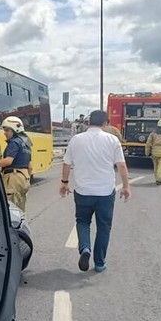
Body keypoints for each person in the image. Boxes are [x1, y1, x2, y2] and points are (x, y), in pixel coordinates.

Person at [59, 110, 130, 273]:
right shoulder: (112, 140)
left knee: (83, 221)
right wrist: (126, 187)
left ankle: (85, 248)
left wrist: (64, 183)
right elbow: (121, 165)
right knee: (104, 227)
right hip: (105, 192)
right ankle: (99, 263)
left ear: (88, 122)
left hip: (83, 191)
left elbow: (66, 164)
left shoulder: (76, 140)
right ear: (106, 123)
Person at [0, 116, 32, 211]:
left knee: (11, 209)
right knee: (21, 209)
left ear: (14, 130)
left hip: (13, 178)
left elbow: (8, 161)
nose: (5, 133)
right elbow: (30, 166)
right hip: (24, 178)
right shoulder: (26, 143)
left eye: (7, 130)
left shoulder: (14, 142)